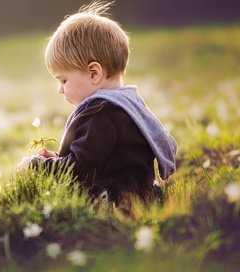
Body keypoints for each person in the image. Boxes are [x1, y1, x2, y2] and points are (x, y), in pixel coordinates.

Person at [28, 1, 177, 207]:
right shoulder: (127, 104)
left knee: (79, 199)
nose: (60, 89)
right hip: (138, 188)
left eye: (63, 80)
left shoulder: (101, 114)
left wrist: (41, 166)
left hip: (115, 195)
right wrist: (58, 157)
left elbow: (79, 170)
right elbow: (97, 159)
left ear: (94, 73)